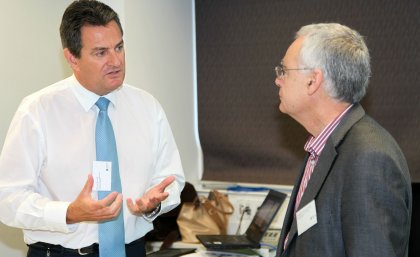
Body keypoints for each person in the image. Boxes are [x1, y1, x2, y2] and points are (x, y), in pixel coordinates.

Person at [0, 1, 185, 257]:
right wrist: (68, 212)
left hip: (132, 250)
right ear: (72, 58)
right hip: (62, 252)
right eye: (100, 52)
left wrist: (154, 204)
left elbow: (171, 179)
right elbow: (8, 199)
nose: (116, 60)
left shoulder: (147, 107)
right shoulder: (37, 111)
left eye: (119, 47)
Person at [274, 23, 412, 257]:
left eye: (284, 71)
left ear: (313, 81)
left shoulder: (369, 159)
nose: (278, 80)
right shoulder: (324, 146)